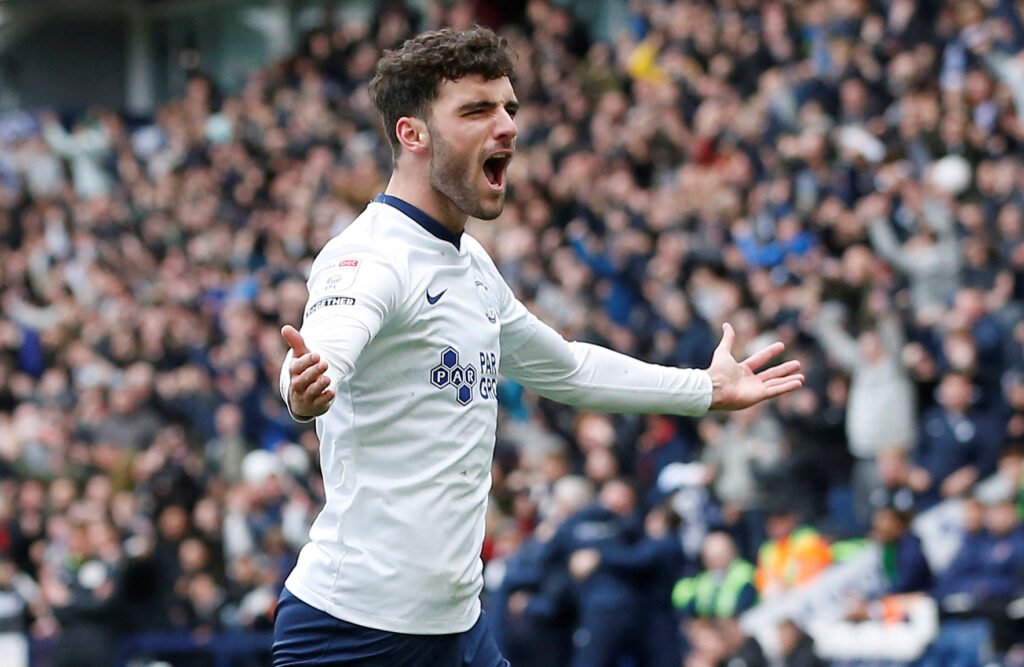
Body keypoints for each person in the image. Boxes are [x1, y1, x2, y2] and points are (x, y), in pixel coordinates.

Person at [272, 26, 805, 667]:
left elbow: (570, 368)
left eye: (509, 109)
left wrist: (707, 389)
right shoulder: (369, 256)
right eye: (476, 110)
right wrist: (304, 387)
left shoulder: (469, 265)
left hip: (456, 629)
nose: (507, 127)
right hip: (352, 633)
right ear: (412, 134)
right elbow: (325, 348)